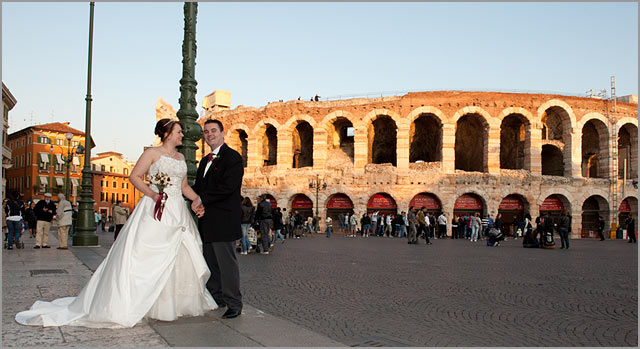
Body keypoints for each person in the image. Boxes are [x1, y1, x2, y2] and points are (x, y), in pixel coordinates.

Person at [16, 118, 217, 328]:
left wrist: (196, 200)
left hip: (177, 209)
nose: (182, 135)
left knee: (180, 254)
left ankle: (176, 303)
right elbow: (135, 176)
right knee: (148, 254)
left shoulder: (180, 156)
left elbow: (183, 186)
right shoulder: (151, 153)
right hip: (157, 207)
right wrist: (153, 194)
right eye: (178, 132)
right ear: (167, 134)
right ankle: (145, 302)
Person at [191, 118, 244, 318]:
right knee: (211, 262)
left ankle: (234, 303)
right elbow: (199, 188)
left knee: (227, 264)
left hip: (223, 220)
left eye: (213, 130)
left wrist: (200, 199)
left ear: (222, 133)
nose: (209, 134)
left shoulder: (233, 157)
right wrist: (186, 194)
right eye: (206, 132)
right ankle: (216, 297)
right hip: (206, 220)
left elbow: (227, 187)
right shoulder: (204, 161)